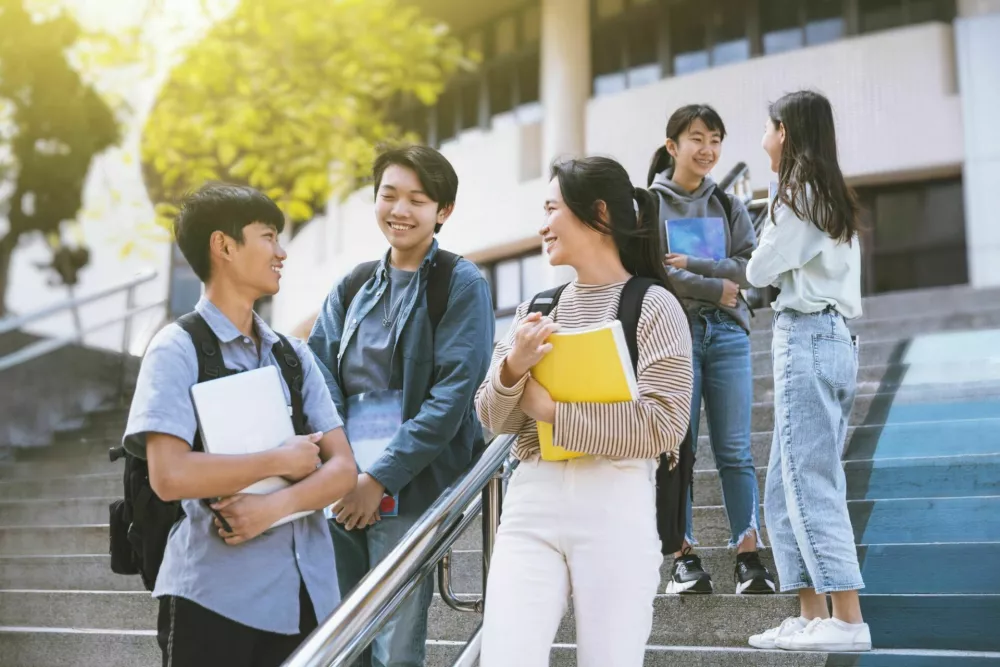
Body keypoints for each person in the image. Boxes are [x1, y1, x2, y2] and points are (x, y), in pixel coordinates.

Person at [122, 183, 359, 667]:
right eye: (268, 236)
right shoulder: (176, 347)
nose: (282, 252)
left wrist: (272, 508)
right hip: (212, 598)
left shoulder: (292, 355)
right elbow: (168, 475)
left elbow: (343, 470)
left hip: (308, 598)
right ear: (224, 246)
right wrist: (278, 460)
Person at [475, 156, 694, 667]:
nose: (542, 224)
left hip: (615, 500)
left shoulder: (655, 304)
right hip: (531, 501)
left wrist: (551, 410)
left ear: (596, 213)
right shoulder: (540, 307)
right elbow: (491, 415)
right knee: (505, 657)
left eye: (551, 208)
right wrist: (512, 369)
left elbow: (665, 424)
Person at [308, 145, 495, 667]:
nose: (401, 210)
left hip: (411, 483)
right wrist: (345, 466)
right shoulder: (353, 285)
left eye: (418, 199)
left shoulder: (461, 284)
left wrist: (380, 478)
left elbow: (453, 398)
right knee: (343, 632)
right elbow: (316, 372)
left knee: (394, 636)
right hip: (344, 478)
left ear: (443, 211)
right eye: (389, 195)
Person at [746, 90, 871, 652]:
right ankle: (810, 613)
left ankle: (847, 619)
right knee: (783, 485)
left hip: (809, 336)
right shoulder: (822, 193)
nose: (764, 141)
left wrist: (772, 208)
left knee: (809, 481)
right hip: (828, 336)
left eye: (770, 130)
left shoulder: (802, 195)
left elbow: (759, 267)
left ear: (787, 133)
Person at [647, 103, 775, 595]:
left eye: (716, 139)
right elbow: (656, 271)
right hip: (674, 337)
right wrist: (713, 285)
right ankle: (682, 556)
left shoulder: (728, 204)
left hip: (727, 335)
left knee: (736, 451)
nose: (708, 149)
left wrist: (697, 267)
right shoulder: (650, 204)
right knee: (678, 449)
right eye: (697, 138)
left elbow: (749, 269)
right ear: (672, 146)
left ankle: (747, 555)